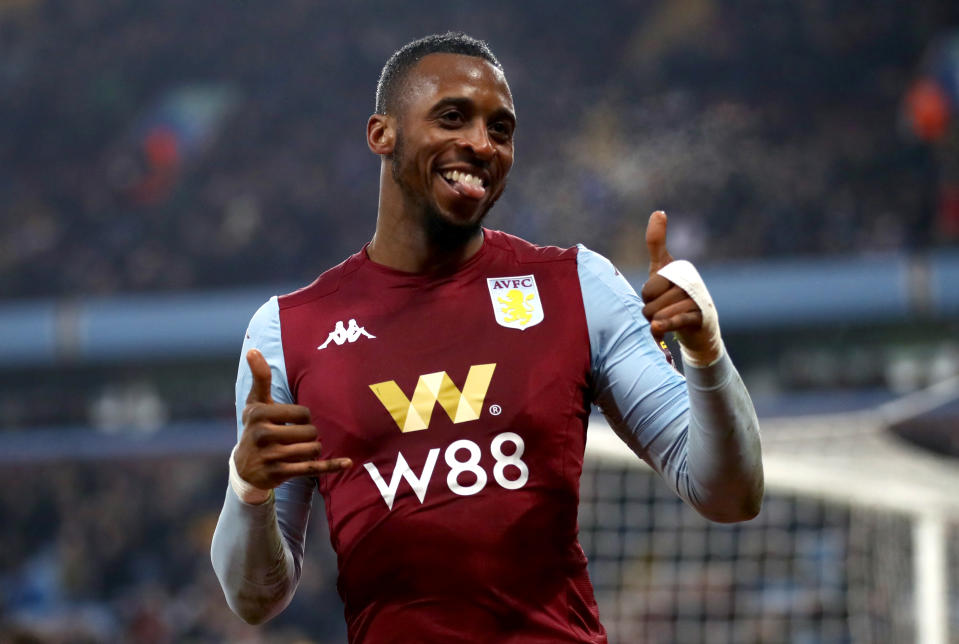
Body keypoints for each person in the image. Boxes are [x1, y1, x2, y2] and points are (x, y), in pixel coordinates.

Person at [211, 32, 763, 643]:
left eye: (501, 130)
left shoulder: (579, 286)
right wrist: (249, 488)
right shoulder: (288, 332)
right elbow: (255, 598)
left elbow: (729, 495)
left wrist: (706, 354)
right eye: (453, 118)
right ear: (382, 134)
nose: (481, 144)